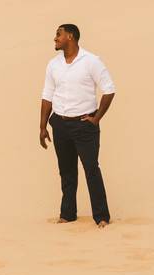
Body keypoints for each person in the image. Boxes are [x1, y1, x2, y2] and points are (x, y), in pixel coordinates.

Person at [38, 24, 115, 228]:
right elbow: (47, 94)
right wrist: (42, 126)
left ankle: (101, 217)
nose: (55, 38)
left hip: (84, 124)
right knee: (66, 171)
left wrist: (96, 118)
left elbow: (109, 90)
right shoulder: (53, 64)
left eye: (58, 34)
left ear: (70, 37)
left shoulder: (91, 61)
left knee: (91, 169)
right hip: (60, 124)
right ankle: (67, 214)